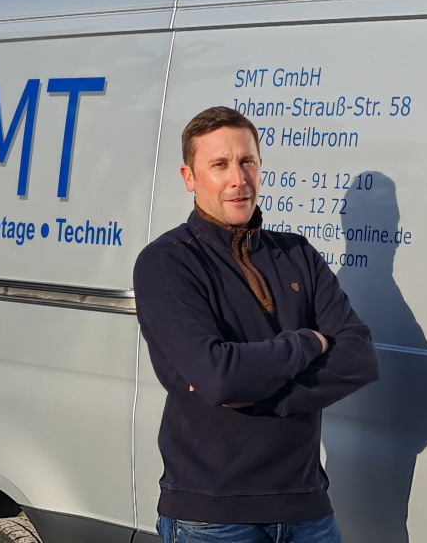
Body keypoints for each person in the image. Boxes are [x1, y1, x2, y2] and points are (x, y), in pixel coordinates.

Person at [133, 106, 379, 543]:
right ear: (189, 177)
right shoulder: (167, 262)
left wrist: (262, 394)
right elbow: (220, 377)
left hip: (307, 509)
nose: (238, 179)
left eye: (247, 161)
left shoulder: (297, 254)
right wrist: (308, 342)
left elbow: (360, 358)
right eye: (219, 164)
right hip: (215, 517)